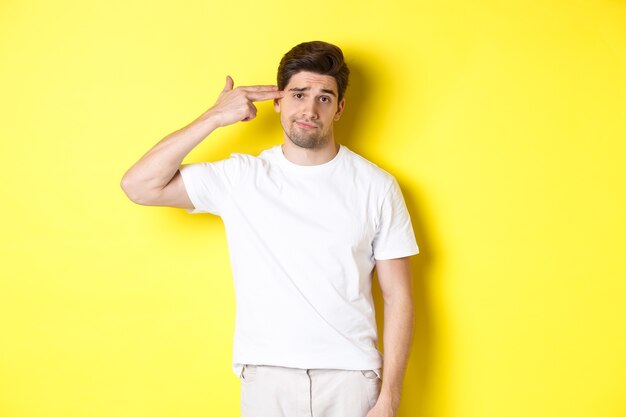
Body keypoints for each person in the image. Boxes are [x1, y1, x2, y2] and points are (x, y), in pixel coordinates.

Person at [121, 40, 419, 417]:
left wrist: (389, 398)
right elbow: (138, 185)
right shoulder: (241, 178)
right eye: (298, 94)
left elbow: (399, 298)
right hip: (267, 378)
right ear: (278, 101)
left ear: (340, 108)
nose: (309, 109)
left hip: (350, 378)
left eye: (324, 98)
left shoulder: (376, 186)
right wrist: (213, 117)